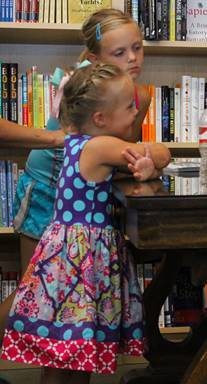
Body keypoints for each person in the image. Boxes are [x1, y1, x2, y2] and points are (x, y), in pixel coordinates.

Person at [0, 63, 170, 383]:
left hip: (70, 261)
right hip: (82, 264)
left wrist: (145, 163)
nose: (136, 111)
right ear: (100, 119)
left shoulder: (76, 142)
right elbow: (161, 153)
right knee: (75, 354)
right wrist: (152, 161)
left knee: (69, 349)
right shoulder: (102, 146)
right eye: (130, 106)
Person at [0, 8, 151, 342]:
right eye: (120, 52)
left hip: (81, 197)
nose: (133, 58)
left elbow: (121, 146)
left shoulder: (127, 88)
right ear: (94, 58)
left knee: (52, 297)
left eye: (137, 47)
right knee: (33, 289)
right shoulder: (86, 84)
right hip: (46, 192)